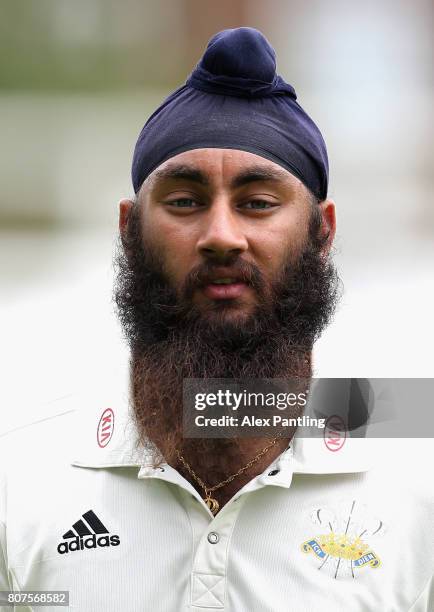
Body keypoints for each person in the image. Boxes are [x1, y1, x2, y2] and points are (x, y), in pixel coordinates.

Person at [0, 27, 432, 612]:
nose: (222, 236)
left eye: (257, 203)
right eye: (184, 202)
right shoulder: (21, 477)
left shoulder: (415, 476)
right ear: (129, 231)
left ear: (322, 232)